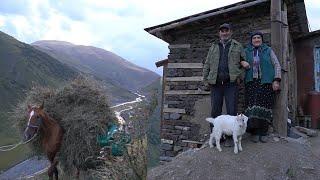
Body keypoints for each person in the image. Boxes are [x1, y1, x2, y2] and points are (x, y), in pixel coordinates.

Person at [203, 23, 247, 146]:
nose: (224, 33)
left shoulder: (237, 46)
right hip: (216, 84)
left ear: (230, 32)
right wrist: (205, 79)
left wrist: (240, 77)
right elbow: (207, 64)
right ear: (219, 33)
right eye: (222, 31)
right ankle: (216, 137)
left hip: (231, 84)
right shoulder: (213, 47)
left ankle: (230, 138)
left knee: (232, 112)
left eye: (226, 30)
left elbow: (244, 63)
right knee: (215, 111)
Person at [241, 31, 281, 143]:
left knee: (264, 107)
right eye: (254, 38)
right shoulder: (246, 51)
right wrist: (242, 62)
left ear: (262, 39)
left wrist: (276, 80)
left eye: (259, 38)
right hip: (251, 83)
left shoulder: (268, 50)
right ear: (251, 40)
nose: (256, 40)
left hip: (266, 83)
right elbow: (238, 60)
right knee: (252, 107)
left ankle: (263, 132)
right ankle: (254, 132)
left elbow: (277, 65)